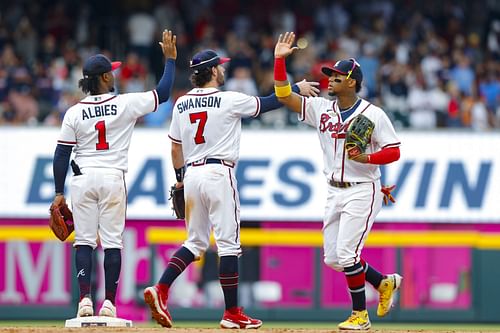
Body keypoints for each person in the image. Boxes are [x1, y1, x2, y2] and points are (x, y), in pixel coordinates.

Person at [143, 49, 319, 329]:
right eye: (220, 67)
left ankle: (162, 289)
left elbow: (175, 147)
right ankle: (232, 313)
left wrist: (179, 180)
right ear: (213, 71)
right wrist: (296, 87)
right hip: (218, 172)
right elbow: (270, 102)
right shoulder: (229, 99)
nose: (223, 70)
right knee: (229, 245)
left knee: (194, 242)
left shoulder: (181, 103)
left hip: (191, 174)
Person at [273, 32, 402, 330]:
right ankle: (383, 282)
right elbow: (283, 96)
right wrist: (280, 61)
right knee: (334, 258)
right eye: (330, 75)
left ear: (353, 82)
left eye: (337, 76)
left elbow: (393, 151)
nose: (329, 79)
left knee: (347, 254)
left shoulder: (374, 114)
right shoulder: (320, 108)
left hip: (361, 190)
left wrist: (367, 160)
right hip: (334, 189)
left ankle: (360, 315)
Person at [51, 29, 177, 318]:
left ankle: (84, 300)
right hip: (111, 177)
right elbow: (163, 93)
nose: (116, 75)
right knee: (112, 243)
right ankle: (108, 303)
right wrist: (170, 60)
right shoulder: (124, 103)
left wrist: (59, 192)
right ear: (106, 78)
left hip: (81, 178)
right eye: (113, 72)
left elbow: (61, 155)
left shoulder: (74, 112)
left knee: (83, 240)